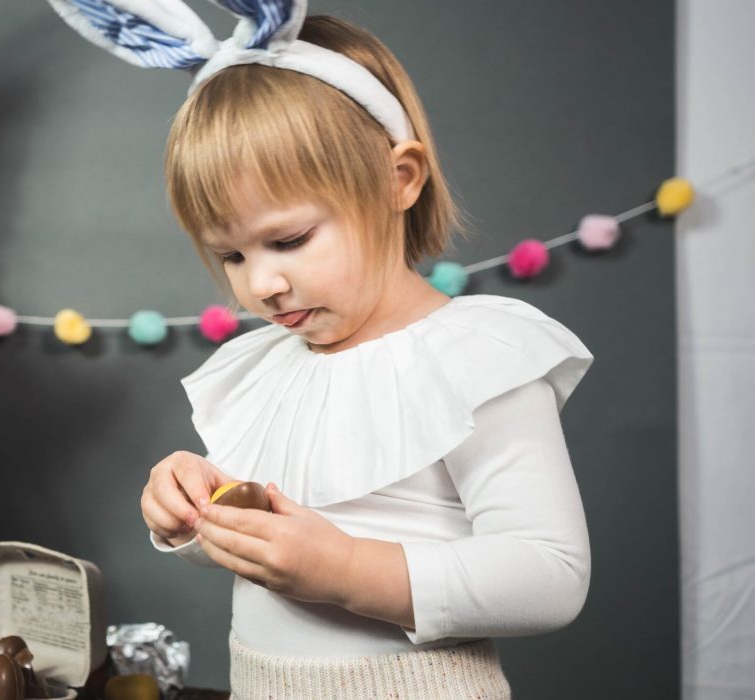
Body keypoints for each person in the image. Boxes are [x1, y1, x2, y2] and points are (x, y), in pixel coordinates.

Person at [45, 1, 593, 697]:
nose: (263, 284)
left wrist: (346, 569)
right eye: (231, 255)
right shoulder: (272, 366)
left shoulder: (475, 361)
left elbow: (549, 575)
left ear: (401, 180)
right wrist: (193, 508)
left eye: (291, 240)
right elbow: (272, 545)